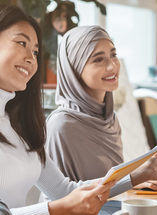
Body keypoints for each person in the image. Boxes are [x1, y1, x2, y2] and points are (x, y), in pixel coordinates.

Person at [0, 5, 116, 215]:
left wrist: (135, 177)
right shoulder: (63, 124)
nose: (31, 58)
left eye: (35, 51)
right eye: (21, 43)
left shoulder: (21, 125)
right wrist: (56, 210)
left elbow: (64, 190)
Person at [45, 25, 157, 191]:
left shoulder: (110, 118)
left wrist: (132, 183)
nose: (112, 67)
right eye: (98, 59)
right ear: (74, 68)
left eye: (113, 55)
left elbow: (109, 180)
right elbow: (62, 195)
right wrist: (133, 178)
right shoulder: (62, 126)